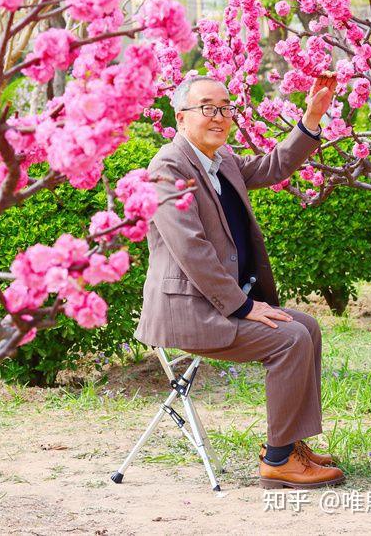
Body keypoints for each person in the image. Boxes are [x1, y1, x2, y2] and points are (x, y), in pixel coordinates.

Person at [136, 73, 345, 488]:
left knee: (307, 327)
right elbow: (191, 250)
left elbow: (272, 166)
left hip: (224, 304)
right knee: (290, 340)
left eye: (226, 108)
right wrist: (246, 306)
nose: (220, 117)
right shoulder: (167, 168)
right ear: (181, 118)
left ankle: (288, 444)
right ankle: (278, 462)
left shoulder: (221, 159)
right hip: (190, 312)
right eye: (207, 108)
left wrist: (311, 119)